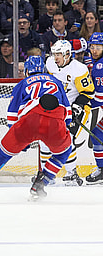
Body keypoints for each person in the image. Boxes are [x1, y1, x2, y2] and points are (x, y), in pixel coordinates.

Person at [0, 56, 72, 200]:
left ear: (27, 71)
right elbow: (67, 111)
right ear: (45, 70)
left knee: (1, 154)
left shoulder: (22, 84)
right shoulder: (56, 82)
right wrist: (64, 127)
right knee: (64, 152)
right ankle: (40, 183)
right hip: (53, 120)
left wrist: (17, 136)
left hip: (29, 120)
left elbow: (12, 115)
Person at [45, 39, 95, 185]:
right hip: (57, 109)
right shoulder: (50, 63)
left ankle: (72, 174)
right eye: (54, 54)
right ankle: (48, 173)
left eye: (59, 54)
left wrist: (76, 107)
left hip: (77, 108)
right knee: (47, 140)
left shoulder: (79, 69)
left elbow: (88, 92)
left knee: (67, 139)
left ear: (67, 54)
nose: (56, 58)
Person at [84, 32, 103, 184]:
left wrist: (85, 104)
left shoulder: (99, 66)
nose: (94, 50)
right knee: (97, 133)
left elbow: (100, 97)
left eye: (98, 47)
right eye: (92, 46)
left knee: (97, 133)